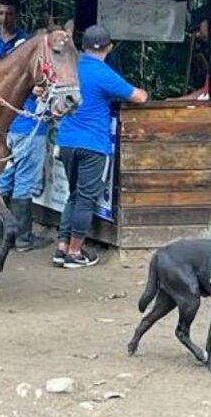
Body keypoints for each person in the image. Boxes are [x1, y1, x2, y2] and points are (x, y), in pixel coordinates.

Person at [54, 25, 147, 268]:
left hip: (66, 142)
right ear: (109, 47)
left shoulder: (71, 68)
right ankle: (75, 253)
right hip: (93, 144)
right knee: (85, 199)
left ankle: (62, 246)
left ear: (82, 46)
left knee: (73, 196)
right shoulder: (104, 73)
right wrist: (144, 91)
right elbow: (138, 97)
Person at [0, 0, 51, 252]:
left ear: (17, 15)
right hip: (12, 125)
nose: (5, 18)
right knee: (15, 179)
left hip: (16, 123)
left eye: (9, 13)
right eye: (1, 13)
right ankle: (19, 238)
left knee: (9, 178)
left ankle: (2, 236)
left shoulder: (28, 44)